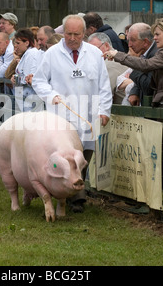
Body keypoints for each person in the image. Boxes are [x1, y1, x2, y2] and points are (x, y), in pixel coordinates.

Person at [104, 18, 163, 202]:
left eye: (158, 34)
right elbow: (152, 79)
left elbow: (145, 66)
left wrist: (117, 55)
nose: (155, 38)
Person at [33, 14, 113, 213]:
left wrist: (104, 110)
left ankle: (75, 191)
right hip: (62, 114)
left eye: (76, 34)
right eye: (68, 33)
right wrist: (52, 95)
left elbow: (104, 85)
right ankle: (70, 194)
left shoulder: (94, 53)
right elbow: (39, 81)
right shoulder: (52, 54)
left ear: (84, 33)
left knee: (84, 155)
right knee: (63, 154)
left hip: (88, 113)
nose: (71, 38)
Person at [87, 32, 130, 105]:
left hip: (124, 112)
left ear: (106, 46)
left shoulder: (109, 64)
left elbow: (102, 96)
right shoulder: (120, 58)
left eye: (94, 50)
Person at [123, 23, 158, 106]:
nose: (129, 45)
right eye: (128, 40)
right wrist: (134, 92)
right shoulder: (144, 52)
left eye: (133, 40)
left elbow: (148, 87)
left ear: (145, 42)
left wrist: (134, 63)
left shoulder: (156, 55)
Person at [10, 28, 40, 112]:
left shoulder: (32, 54)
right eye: (15, 43)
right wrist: (15, 77)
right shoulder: (26, 54)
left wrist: (17, 79)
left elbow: (29, 78)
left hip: (29, 98)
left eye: (18, 43)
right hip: (24, 98)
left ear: (26, 43)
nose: (15, 46)